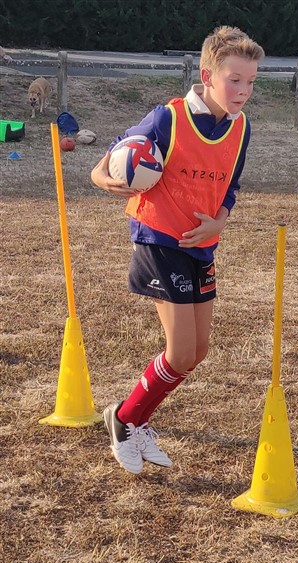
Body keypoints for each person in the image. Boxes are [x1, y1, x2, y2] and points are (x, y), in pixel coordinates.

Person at [91, 25, 264, 475]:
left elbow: (231, 187)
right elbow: (104, 165)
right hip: (158, 239)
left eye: (251, 82)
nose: (244, 91)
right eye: (235, 80)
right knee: (181, 351)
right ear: (207, 75)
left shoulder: (240, 127)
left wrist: (220, 219)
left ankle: (134, 417)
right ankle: (125, 420)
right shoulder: (168, 118)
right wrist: (109, 179)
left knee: (198, 350)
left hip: (202, 246)